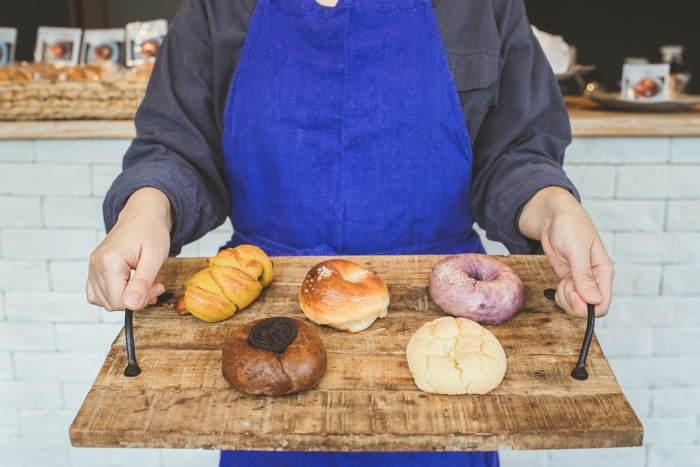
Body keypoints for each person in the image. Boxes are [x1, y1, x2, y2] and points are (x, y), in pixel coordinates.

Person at [87, 0, 614, 465]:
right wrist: (144, 213)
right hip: (267, 319)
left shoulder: (482, 7)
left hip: (440, 312)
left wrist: (554, 209)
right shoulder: (216, 8)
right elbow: (176, 146)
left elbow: (514, 152)